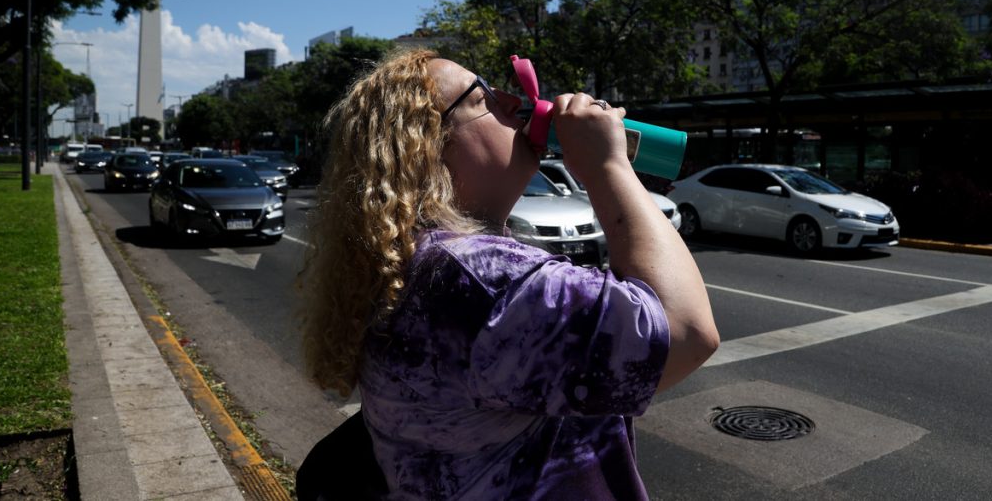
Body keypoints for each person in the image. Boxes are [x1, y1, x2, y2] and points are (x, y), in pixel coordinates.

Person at [298, 48, 718, 500]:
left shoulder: (417, 264)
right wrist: (608, 166)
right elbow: (685, 332)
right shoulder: (477, 278)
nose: (513, 101)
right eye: (482, 97)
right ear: (427, 148)